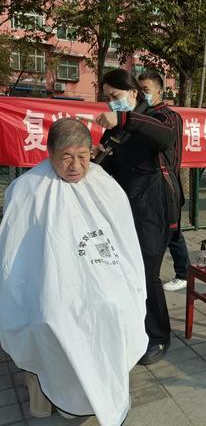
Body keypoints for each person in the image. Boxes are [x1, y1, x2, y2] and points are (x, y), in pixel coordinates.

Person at [0, 118, 148, 424]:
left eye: (83, 156)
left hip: (102, 276)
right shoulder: (27, 189)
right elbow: (14, 258)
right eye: (66, 157)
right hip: (48, 284)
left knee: (116, 307)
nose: (76, 166)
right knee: (54, 318)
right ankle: (61, 392)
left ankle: (107, 383)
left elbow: (123, 243)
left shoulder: (104, 184)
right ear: (50, 153)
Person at [94, 68, 183, 365]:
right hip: (125, 211)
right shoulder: (117, 128)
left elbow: (166, 137)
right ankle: (135, 330)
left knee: (147, 275)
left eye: (115, 96)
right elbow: (105, 162)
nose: (111, 103)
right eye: (107, 98)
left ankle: (158, 337)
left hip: (154, 211)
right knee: (128, 274)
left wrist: (124, 117)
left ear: (134, 93)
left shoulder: (161, 118)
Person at [137, 70, 190, 292]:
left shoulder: (168, 118)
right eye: (138, 90)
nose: (142, 95)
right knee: (169, 233)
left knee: (172, 232)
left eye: (146, 90)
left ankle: (183, 273)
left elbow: (162, 139)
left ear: (160, 91)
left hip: (167, 185)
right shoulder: (141, 115)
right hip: (148, 188)